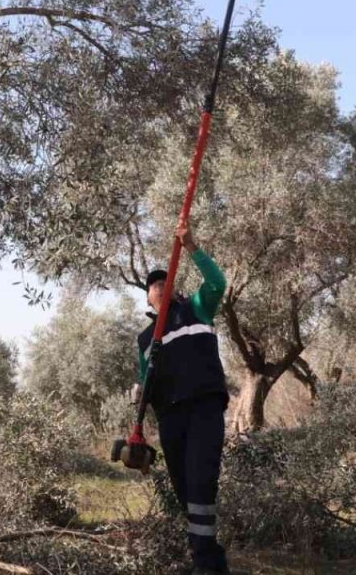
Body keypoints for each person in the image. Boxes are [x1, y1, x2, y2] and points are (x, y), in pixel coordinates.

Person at [135, 219, 229, 575]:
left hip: (204, 408)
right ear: (147, 297)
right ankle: (201, 558)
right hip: (169, 418)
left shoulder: (197, 308)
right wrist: (138, 430)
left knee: (202, 482)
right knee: (184, 491)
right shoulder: (145, 339)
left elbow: (218, 283)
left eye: (164, 281)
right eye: (153, 285)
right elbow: (145, 385)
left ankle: (209, 565)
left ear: (175, 288)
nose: (159, 286)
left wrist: (191, 246)